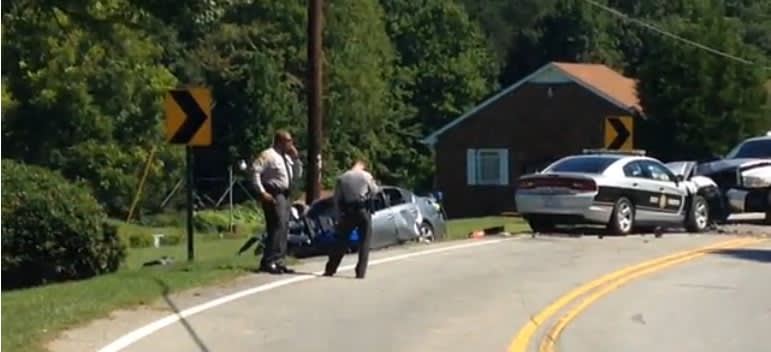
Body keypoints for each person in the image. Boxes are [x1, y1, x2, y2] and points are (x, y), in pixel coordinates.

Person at [250, 130, 303, 274]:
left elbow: (298, 175)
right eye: (289, 141)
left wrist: (296, 158)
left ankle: (279, 260)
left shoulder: (286, 157)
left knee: (284, 226)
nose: (291, 144)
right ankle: (269, 261)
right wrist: (262, 192)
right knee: (277, 226)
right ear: (280, 141)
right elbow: (255, 172)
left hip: (285, 194)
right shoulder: (268, 155)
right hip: (273, 193)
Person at [323, 159, 380, 279]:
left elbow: (337, 199)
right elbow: (375, 191)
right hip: (363, 210)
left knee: (341, 240)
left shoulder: (342, 178)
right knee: (364, 242)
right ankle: (360, 271)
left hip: (348, 212)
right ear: (362, 166)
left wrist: (338, 214)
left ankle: (331, 268)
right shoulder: (366, 176)